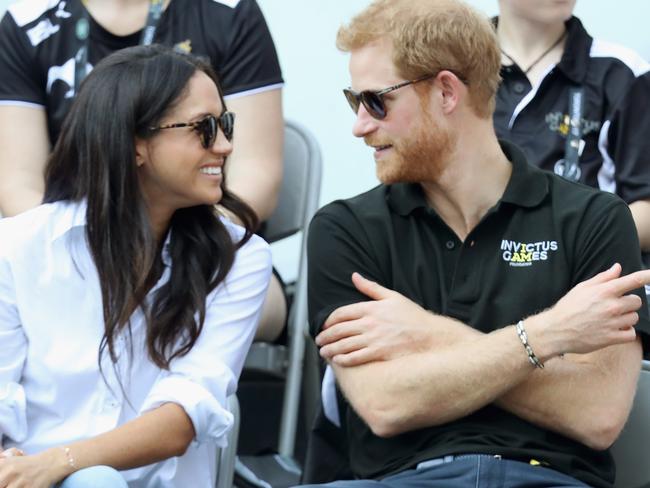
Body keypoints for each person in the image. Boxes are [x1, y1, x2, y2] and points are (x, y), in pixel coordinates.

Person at [305, 1, 650, 487]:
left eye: (376, 101)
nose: (360, 125)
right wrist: (548, 335)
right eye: (353, 101)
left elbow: (596, 414)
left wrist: (427, 332)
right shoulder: (344, 230)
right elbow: (385, 404)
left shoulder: (595, 221)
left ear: (446, 91)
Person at [0, 44, 271, 487]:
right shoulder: (17, 247)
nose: (225, 145)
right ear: (135, 144)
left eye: (225, 124)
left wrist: (58, 462)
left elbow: (183, 415)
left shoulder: (240, 259)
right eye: (204, 128)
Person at [0, 0, 285, 341]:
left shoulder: (228, 11)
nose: (223, 144)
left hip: (204, 240)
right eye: (204, 128)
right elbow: (18, 184)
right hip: (78, 244)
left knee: (216, 299)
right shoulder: (26, 21)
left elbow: (258, 177)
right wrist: (87, 253)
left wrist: (173, 246)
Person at [494, 0, 650, 251]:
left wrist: (564, 244)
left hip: (586, 272)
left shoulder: (623, 72)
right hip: (475, 275)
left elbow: (646, 204)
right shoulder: (452, 68)